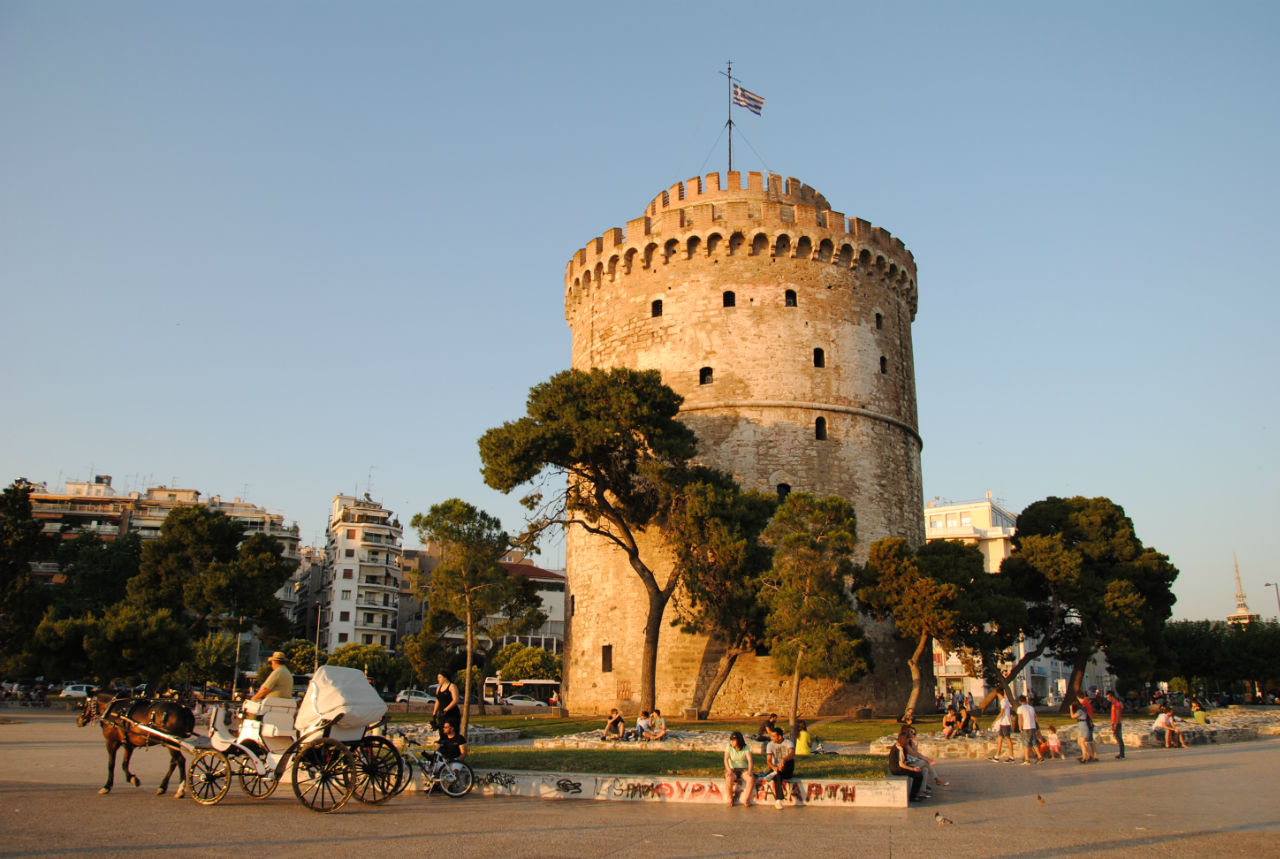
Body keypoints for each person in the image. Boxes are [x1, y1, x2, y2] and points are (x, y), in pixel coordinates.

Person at [761, 726, 799, 809]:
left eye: (774, 736)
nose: (772, 738)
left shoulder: (788, 742)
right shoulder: (770, 745)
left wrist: (783, 760)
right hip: (777, 768)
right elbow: (768, 761)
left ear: (780, 737)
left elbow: (792, 754)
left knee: (789, 761)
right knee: (777, 776)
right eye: (771, 736)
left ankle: (774, 773)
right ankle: (778, 800)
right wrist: (773, 767)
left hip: (787, 769)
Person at [888, 729, 926, 803]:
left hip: (897, 767)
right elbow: (901, 764)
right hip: (897, 769)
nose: (909, 741)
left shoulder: (898, 746)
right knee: (918, 776)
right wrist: (913, 769)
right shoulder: (900, 749)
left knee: (919, 773)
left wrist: (911, 766)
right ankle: (913, 796)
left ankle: (916, 794)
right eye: (908, 739)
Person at [723, 730, 755, 807]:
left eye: (733, 740)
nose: (732, 742)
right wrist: (729, 770)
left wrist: (750, 771)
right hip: (733, 769)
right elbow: (726, 759)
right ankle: (730, 798)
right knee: (728, 779)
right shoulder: (729, 747)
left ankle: (746, 799)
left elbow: (750, 760)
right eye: (731, 740)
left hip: (743, 768)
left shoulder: (746, 747)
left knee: (750, 779)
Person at [1016, 694, 1043, 765]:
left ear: (1020, 701)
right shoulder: (1031, 708)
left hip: (1026, 727)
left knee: (1026, 743)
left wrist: (1020, 727)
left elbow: (1020, 718)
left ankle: (1027, 759)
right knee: (1034, 742)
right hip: (1033, 726)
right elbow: (1035, 717)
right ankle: (1040, 756)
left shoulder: (1020, 708)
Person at [991, 689, 1016, 763]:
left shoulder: (1003, 701)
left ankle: (1012, 757)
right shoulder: (1005, 701)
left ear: (999, 694)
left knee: (1008, 739)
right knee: (1000, 739)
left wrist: (995, 721)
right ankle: (997, 756)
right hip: (1003, 723)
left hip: (1005, 723)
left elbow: (1002, 713)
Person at [1071, 693, 1097, 762]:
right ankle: (1089, 755)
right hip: (1086, 724)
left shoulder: (1083, 705)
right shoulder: (1085, 704)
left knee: (1087, 742)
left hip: (1086, 725)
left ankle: (1087, 757)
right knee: (1083, 742)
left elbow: (1073, 716)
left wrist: (1071, 709)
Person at [1107, 690, 1126, 759]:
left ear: (1112, 696)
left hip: (1117, 723)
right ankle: (1121, 753)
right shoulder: (1113, 704)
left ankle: (1122, 753)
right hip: (1115, 722)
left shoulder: (1116, 704)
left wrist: (1115, 724)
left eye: (1108, 697)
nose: (1108, 699)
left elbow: (1117, 715)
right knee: (1118, 737)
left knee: (1119, 738)